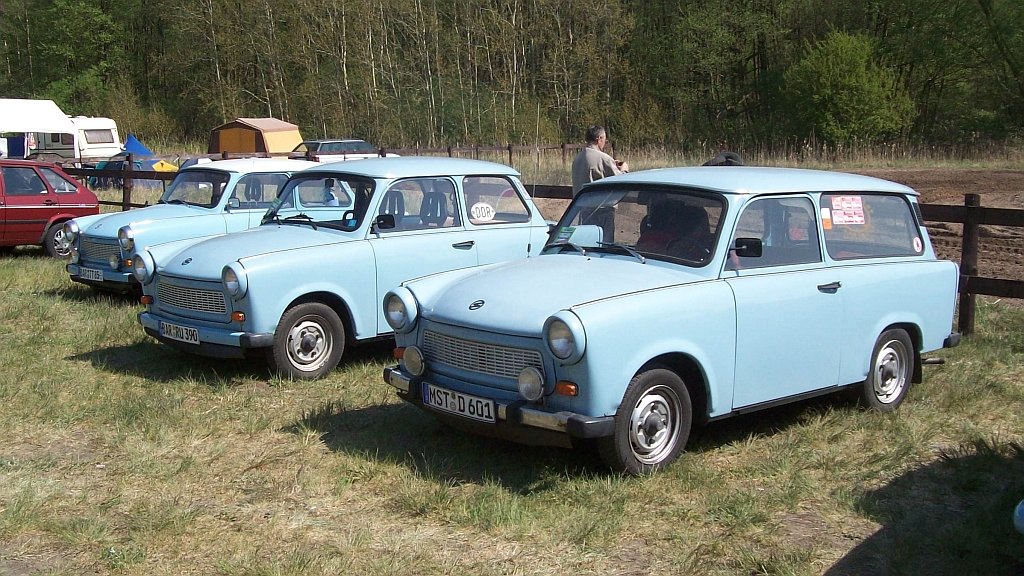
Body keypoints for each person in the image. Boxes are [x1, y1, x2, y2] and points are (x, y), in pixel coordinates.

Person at [571, 125, 629, 196]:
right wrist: (624, 170)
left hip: (579, 203)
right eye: (605, 139)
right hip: (597, 205)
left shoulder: (577, 158)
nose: (605, 142)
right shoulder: (603, 158)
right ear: (599, 139)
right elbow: (621, 181)